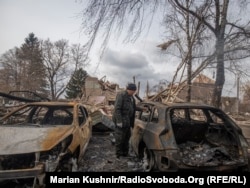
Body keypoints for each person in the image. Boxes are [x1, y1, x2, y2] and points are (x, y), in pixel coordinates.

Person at [112, 83, 143, 158]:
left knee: (127, 137)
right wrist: (119, 121)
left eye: (134, 91)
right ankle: (118, 155)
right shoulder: (121, 95)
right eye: (132, 91)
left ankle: (125, 153)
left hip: (128, 122)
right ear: (129, 89)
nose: (133, 92)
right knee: (119, 138)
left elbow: (133, 107)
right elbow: (117, 109)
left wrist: (142, 109)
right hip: (121, 121)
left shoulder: (131, 98)